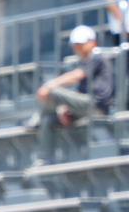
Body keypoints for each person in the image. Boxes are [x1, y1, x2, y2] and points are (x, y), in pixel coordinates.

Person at [28, 24, 114, 167]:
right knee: (49, 120)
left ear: (93, 41)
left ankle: (38, 117)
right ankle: (45, 158)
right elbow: (78, 93)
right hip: (84, 107)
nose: (77, 48)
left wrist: (49, 85)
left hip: (96, 105)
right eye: (75, 45)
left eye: (81, 44)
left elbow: (76, 76)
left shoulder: (97, 57)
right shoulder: (86, 62)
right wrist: (66, 110)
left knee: (53, 91)